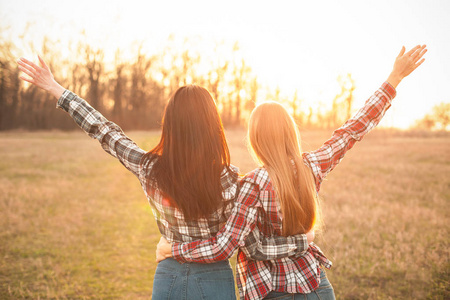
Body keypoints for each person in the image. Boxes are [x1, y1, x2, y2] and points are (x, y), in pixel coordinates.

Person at [16, 56, 316, 300]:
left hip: (168, 274)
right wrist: (301, 241)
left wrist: (57, 89)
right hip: (214, 280)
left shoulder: (149, 168)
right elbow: (249, 244)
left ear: (169, 125)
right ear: (213, 127)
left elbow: (104, 130)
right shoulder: (229, 179)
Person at [155, 45, 428, 300]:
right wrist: (393, 79)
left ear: (255, 139)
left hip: (273, 290)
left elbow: (241, 247)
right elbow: (354, 129)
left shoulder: (250, 186)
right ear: (290, 132)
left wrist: (174, 248)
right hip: (317, 284)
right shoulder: (312, 166)